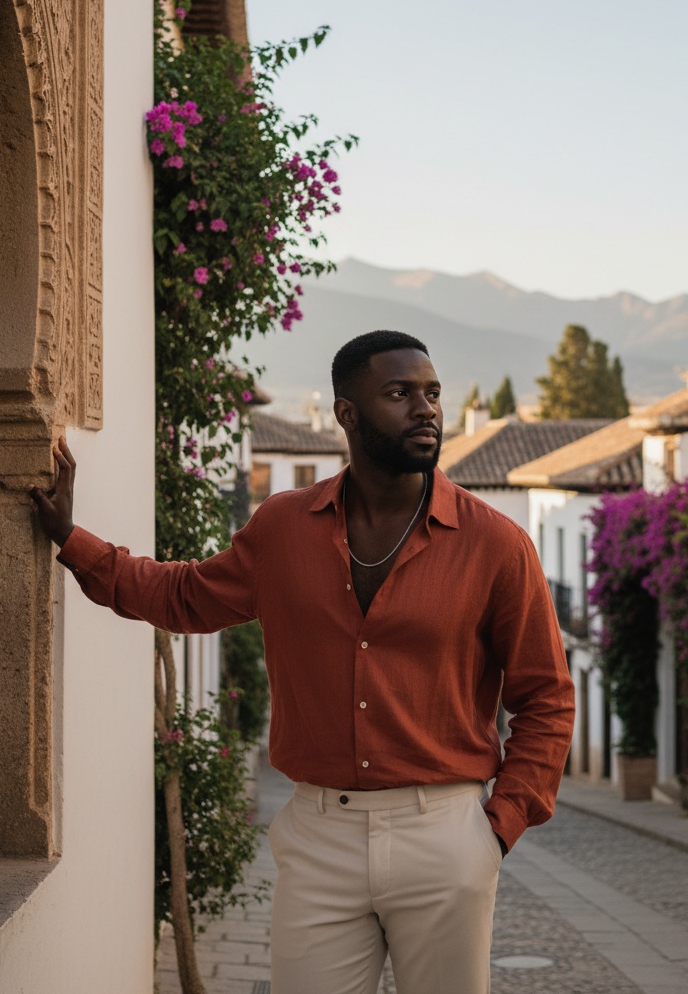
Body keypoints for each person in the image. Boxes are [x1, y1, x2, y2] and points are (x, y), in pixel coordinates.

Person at [30, 330, 574, 994]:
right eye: (400, 393)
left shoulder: (497, 545)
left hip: (446, 838)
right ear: (347, 412)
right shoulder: (284, 527)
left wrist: (498, 827)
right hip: (319, 837)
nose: (426, 409)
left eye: (433, 393)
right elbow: (185, 596)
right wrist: (70, 539)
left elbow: (546, 697)